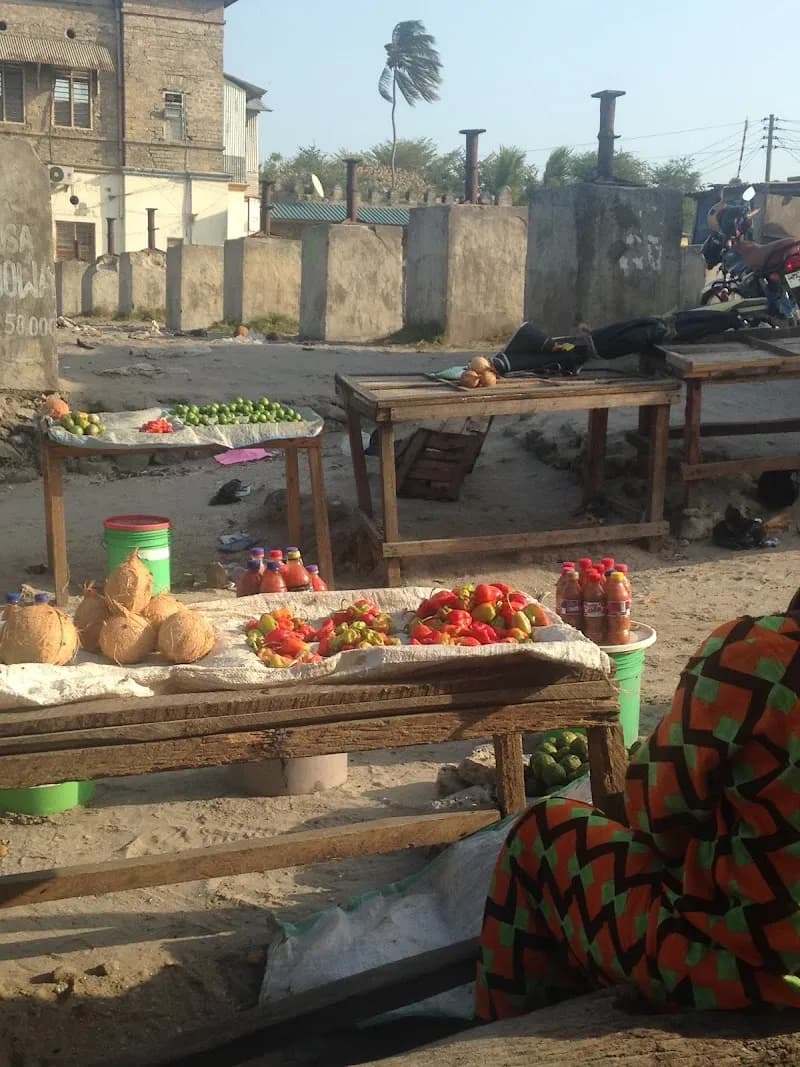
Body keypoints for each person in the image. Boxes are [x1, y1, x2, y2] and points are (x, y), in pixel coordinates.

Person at [476, 591, 800, 1019]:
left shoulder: (762, 658)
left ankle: (497, 1037)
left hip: (748, 977)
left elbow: (657, 813)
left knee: (543, 832)